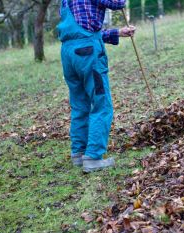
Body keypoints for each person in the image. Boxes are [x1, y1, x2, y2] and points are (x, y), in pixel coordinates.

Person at [57, 0, 136, 172]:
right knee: (101, 104)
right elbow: (118, 3)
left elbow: (85, 30)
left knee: (79, 105)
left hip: (68, 54)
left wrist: (116, 33)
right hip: (87, 54)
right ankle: (93, 157)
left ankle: (78, 153)